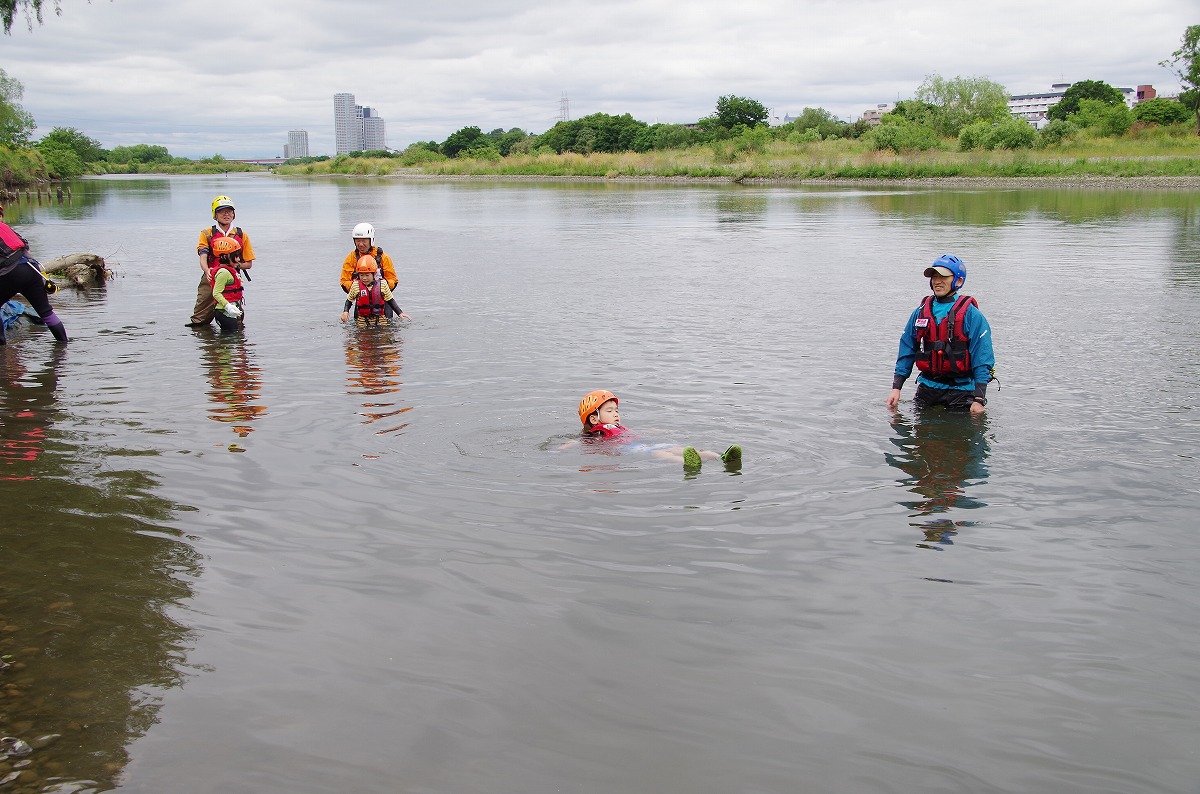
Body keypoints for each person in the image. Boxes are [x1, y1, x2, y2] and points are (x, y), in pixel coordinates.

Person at [886, 254, 995, 415]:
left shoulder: (972, 315)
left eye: (943, 276)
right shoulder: (920, 312)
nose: (937, 281)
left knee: (958, 439)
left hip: (962, 391)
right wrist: (896, 388)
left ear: (958, 280)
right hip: (927, 388)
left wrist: (979, 398)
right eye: (934, 276)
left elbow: (982, 356)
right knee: (921, 438)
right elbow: (907, 348)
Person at [574, 389, 742, 471]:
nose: (616, 414)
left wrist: (652, 431)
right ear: (594, 419)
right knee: (662, 454)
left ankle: (723, 457)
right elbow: (576, 442)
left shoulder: (618, 428)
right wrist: (554, 451)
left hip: (646, 444)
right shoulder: (596, 433)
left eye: (617, 410)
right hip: (636, 449)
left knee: (680, 449)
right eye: (609, 411)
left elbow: (632, 434)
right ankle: (689, 463)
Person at [0, 203, 68, 346]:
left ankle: (2, 349)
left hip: (12, 272)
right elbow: (25, 246)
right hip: (32, 268)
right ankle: (63, 346)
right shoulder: (4, 227)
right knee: (46, 312)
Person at [188, 195, 255, 327]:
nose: (226, 214)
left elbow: (248, 264)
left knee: (235, 318)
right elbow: (203, 257)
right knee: (200, 318)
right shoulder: (207, 233)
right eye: (222, 211)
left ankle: (235, 342)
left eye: (229, 211)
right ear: (215, 214)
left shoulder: (241, 235)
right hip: (211, 276)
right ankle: (204, 341)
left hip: (232, 279)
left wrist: (235, 265)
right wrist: (207, 271)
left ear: (234, 214)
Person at [340, 255, 410, 326]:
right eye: (361, 275)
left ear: (374, 274)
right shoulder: (355, 285)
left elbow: (390, 300)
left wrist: (400, 313)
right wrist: (345, 312)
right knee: (361, 335)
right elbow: (349, 301)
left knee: (384, 334)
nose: (364, 278)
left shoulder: (383, 284)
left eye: (367, 275)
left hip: (380, 320)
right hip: (362, 321)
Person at [339, 223, 398, 294]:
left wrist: (383, 285)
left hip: (381, 298)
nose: (360, 244)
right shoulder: (351, 258)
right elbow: (344, 282)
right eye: (358, 241)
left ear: (371, 240)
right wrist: (356, 286)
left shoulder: (383, 257)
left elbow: (393, 280)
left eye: (364, 241)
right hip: (361, 297)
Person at [208, 237, 246, 333]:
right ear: (227, 257)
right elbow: (216, 293)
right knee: (228, 338)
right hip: (224, 312)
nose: (238, 259)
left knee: (233, 337)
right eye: (236, 256)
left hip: (231, 311)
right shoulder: (223, 273)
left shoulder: (230, 271)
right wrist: (227, 306)